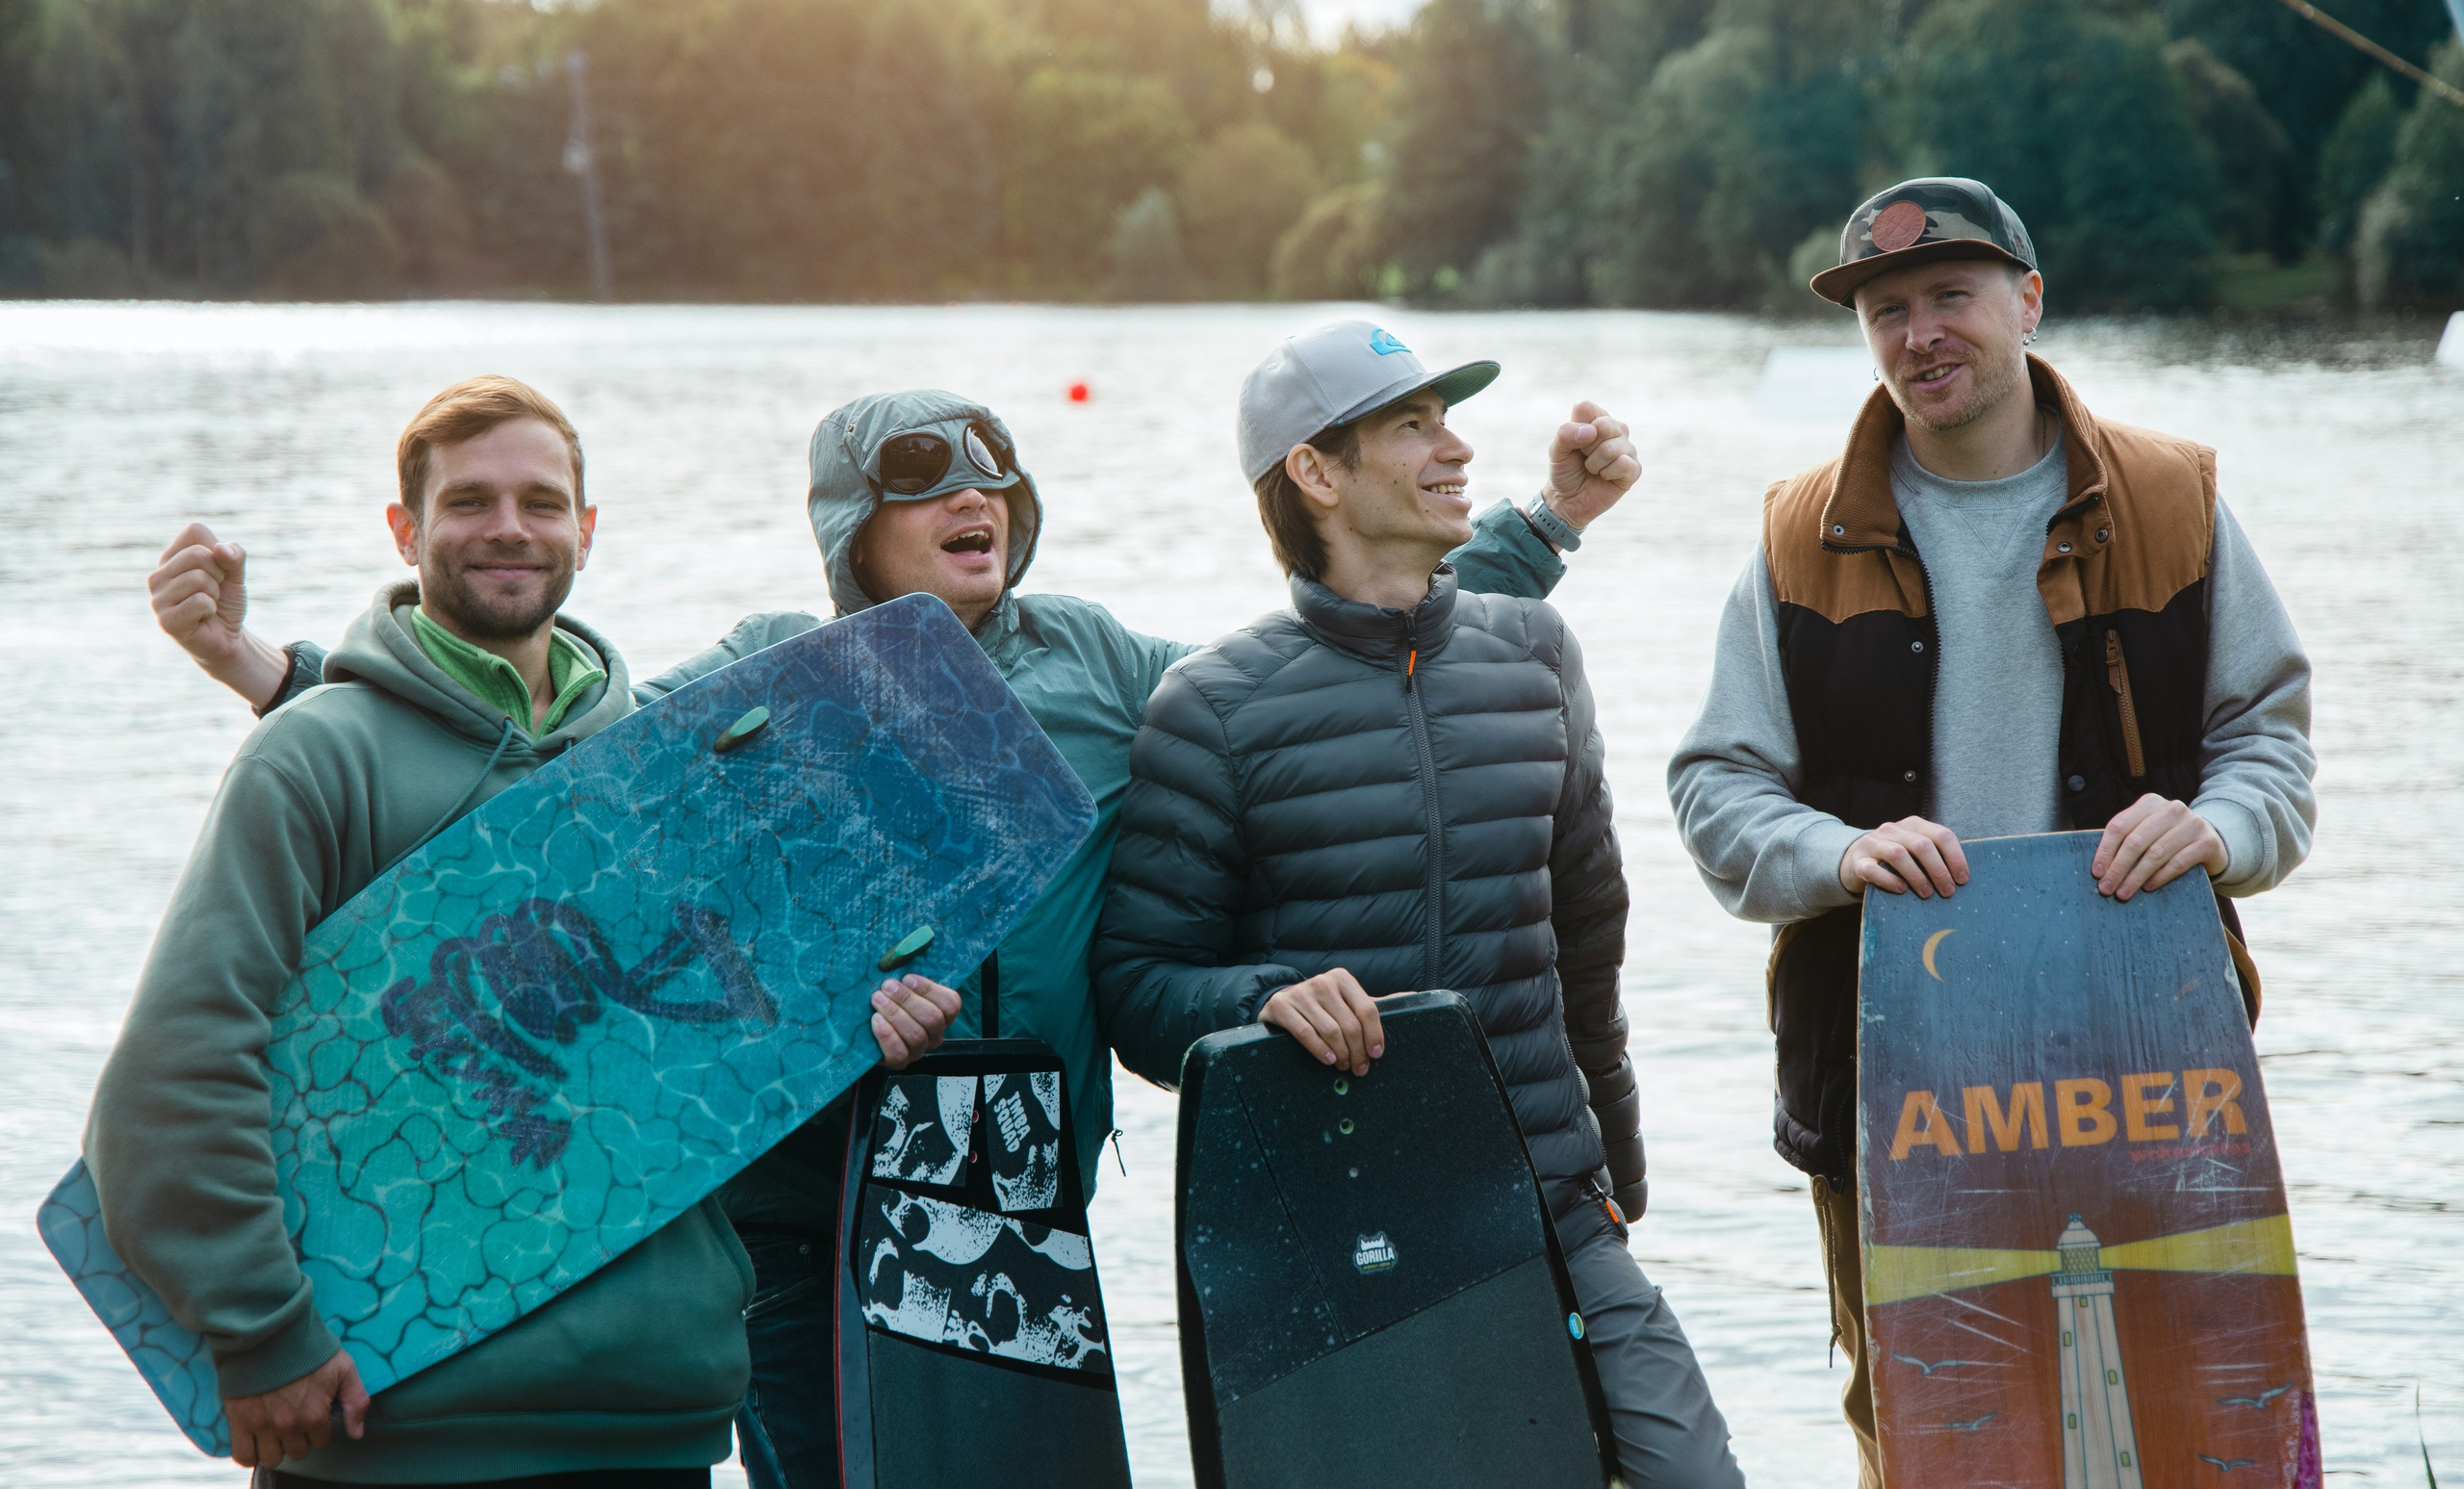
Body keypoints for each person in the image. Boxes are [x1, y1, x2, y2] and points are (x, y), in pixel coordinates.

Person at [154, 355, 1645, 1488]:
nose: (973, 507)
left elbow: (1321, 669)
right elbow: (542, 807)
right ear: (853, 529)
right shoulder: (770, 681)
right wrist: (273, 678)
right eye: (931, 490)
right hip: (813, 1212)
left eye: (996, 484)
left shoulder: (1106, 667)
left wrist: (1541, 528)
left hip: (1018, 1193)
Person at [98, 376, 961, 1487]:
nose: (509, 528)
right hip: (388, 1432)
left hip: (657, 1423)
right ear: (405, 529)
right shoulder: (316, 761)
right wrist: (264, 1334)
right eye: (468, 502)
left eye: (542, 503)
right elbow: (175, 1072)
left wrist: (871, 1038)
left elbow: (701, 1074)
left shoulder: (665, 770)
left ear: (587, 533)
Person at [1664, 177, 2316, 1487]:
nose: (1919, 335)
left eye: (1949, 297)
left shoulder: (2176, 501)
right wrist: (1837, 856)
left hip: (2144, 1056)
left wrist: (2212, 828)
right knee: (1924, 1424)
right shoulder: (1798, 537)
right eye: (1888, 310)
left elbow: (2273, 749)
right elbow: (1717, 791)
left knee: (2194, 1400)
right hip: (1883, 1072)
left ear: (2028, 299)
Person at [1092, 321, 1747, 1488]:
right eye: (1414, 424)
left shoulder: (1534, 654)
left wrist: (1616, 1182)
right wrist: (1264, 996)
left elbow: (1588, 942)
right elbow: (1138, 985)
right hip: (1339, 1231)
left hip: (1550, 1196)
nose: (1456, 447)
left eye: (1446, 417)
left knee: (1689, 1472)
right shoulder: (1214, 707)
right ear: (1315, 470)